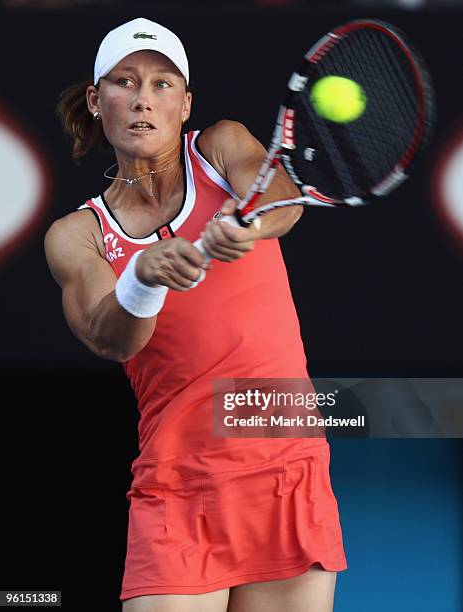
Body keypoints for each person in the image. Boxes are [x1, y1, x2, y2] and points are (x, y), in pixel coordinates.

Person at [44, 17, 347, 612]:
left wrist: (248, 224)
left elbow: (281, 202)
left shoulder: (219, 146)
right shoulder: (78, 234)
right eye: (125, 82)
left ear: (185, 104)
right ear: (95, 98)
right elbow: (112, 339)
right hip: (179, 483)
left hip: (284, 461)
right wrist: (143, 279)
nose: (142, 99)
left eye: (162, 85)